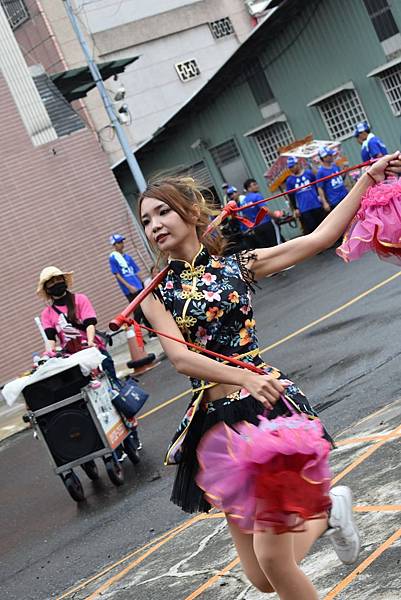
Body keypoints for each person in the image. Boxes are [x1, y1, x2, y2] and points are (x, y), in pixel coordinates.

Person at [137, 154, 401, 599]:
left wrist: (365, 180)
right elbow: (181, 359)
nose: (155, 224)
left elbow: (320, 237)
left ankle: (328, 510)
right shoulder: (154, 293)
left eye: (163, 211)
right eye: (146, 220)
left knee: (276, 561)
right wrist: (240, 378)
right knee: (261, 576)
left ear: (191, 212)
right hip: (214, 426)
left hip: (264, 409)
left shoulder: (238, 264)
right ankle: (331, 510)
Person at [37, 266, 142, 451]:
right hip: (74, 363)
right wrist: (48, 355)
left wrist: (91, 342)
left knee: (114, 394)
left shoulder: (80, 299)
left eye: (58, 280)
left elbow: (89, 323)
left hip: (95, 353)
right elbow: (51, 339)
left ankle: (132, 435)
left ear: (64, 281)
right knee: (94, 404)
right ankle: (113, 446)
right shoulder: (47, 314)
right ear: (46, 289)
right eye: (51, 283)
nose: (56, 284)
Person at [286, 156, 330, 234]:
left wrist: (321, 199)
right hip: (304, 209)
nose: (292, 169)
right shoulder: (289, 180)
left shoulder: (309, 173)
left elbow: (317, 186)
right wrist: (295, 208)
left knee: (323, 226)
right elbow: (291, 196)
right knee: (311, 230)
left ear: (298, 164)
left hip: (316, 205)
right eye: (290, 167)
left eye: (293, 166)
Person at [238, 178, 281, 248]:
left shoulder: (243, 202)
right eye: (254, 185)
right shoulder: (257, 196)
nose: (257, 186)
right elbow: (265, 209)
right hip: (266, 224)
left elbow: (245, 216)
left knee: (266, 248)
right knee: (277, 245)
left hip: (256, 228)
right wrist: (276, 216)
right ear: (248, 188)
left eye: (256, 184)